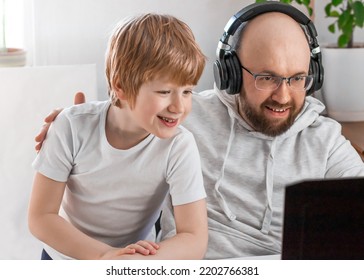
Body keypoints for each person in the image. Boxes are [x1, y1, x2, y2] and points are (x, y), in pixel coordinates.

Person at [34, 2, 364, 259]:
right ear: (230, 73)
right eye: (267, 77)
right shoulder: (184, 119)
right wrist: (73, 118)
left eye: (298, 78)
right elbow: (131, 106)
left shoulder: (326, 141)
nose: (283, 94)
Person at [29, 13, 208, 260]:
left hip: (134, 262)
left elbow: (194, 237)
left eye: (187, 91)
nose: (179, 106)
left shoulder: (180, 146)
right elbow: (41, 218)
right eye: (165, 91)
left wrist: (131, 264)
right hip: (65, 259)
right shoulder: (70, 126)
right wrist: (105, 256)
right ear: (121, 86)